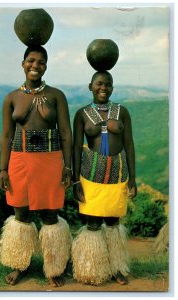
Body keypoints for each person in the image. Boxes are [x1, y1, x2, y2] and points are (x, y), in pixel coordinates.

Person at [0, 44, 72, 287]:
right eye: (31, 60)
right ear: (23, 63)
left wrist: (67, 167)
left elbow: (66, 133)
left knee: (50, 214)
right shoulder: (11, 98)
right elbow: (7, 136)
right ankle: (20, 265)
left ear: (46, 66)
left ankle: (54, 267)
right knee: (21, 213)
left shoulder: (57, 95)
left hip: (50, 160)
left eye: (40, 62)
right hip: (19, 160)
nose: (35, 65)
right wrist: (3, 169)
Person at [72, 70, 137, 286]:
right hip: (90, 175)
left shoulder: (122, 112)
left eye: (108, 84)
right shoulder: (82, 114)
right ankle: (92, 270)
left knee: (113, 222)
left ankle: (116, 268)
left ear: (112, 87)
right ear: (90, 85)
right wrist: (75, 181)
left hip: (118, 174)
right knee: (92, 223)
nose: (103, 88)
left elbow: (129, 145)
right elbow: (75, 148)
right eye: (99, 83)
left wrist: (134, 180)